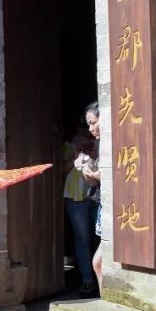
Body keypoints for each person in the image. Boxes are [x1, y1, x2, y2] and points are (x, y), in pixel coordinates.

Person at [63, 124, 99, 294]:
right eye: (81, 133)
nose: (85, 135)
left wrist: (92, 154)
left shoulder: (99, 144)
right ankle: (87, 280)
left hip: (96, 196)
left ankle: (103, 279)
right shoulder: (68, 147)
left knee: (102, 238)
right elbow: (60, 170)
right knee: (82, 240)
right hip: (75, 198)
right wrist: (75, 157)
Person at [80, 103, 103, 292]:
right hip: (103, 205)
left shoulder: (111, 141)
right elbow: (95, 182)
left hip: (112, 208)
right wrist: (86, 170)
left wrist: (94, 173)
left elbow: (110, 175)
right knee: (99, 263)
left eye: (93, 122)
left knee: (99, 263)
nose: (90, 128)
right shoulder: (100, 143)